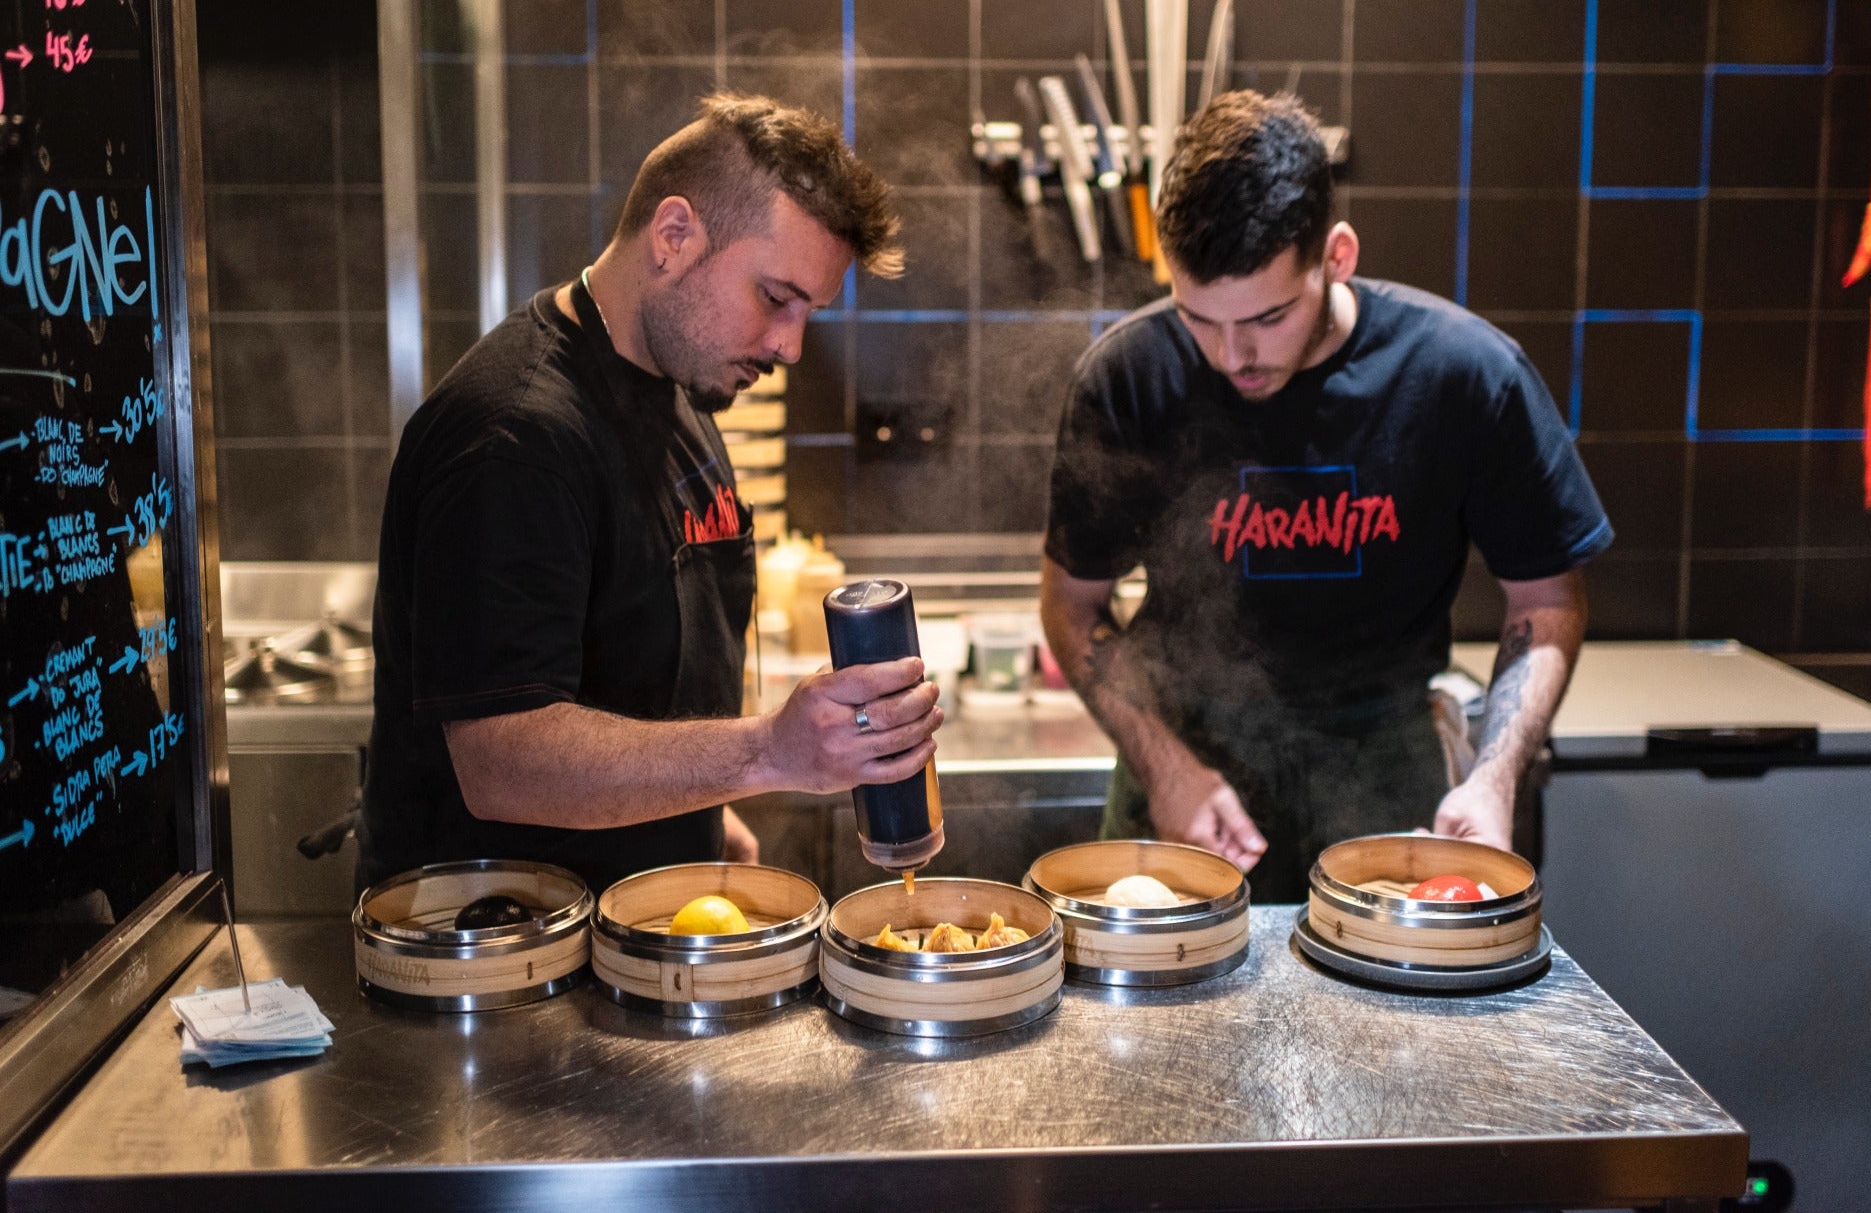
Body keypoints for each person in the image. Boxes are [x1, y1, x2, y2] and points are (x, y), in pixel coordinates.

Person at [357, 94, 941, 894]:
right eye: (775, 297)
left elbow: (642, 663)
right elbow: (502, 762)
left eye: (809, 311)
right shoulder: (513, 436)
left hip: (637, 933)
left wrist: (702, 816)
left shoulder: (678, 398)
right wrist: (768, 751)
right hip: (500, 962)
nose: (790, 345)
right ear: (674, 237)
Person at [1040, 91, 1612, 903]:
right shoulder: (1131, 378)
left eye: (1268, 317)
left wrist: (1493, 774)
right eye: (1198, 317)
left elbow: (1547, 598)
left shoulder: (1465, 376)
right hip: (1180, 766)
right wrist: (1167, 767)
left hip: (1386, 771)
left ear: (1336, 255)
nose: (1232, 355)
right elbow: (1071, 603)